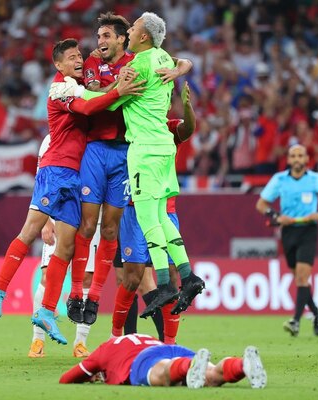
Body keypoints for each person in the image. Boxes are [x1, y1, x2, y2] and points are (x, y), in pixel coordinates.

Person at [0, 38, 144, 346]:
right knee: (30, 230)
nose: (78, 60)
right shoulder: (60, 87)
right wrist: (118, 91)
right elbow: (87, 104)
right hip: (55, 169)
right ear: (58, 64)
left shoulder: (80, 82)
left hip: (76, 175)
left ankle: (46, 312)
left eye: (79, 56)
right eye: (72, 57)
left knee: (67, 248)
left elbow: (96, 87)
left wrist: (105, 61)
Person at [56, 12, 193, 327]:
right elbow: (94, 97)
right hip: (97, 149)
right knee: (90, 227)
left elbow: (171, 58)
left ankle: (103, 306)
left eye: (109, 35)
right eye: (99, 35)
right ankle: (80, 294)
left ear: (123, 39)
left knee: (114, 233)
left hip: (128, 153)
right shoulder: (94, 63)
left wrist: (182, 65)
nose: (101, 41)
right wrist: (116, 90)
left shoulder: (138, 61)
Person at [104, 12, 205, 317]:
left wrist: (100, 90)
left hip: (145, 150)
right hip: (164, 149)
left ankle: (164, 284)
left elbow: (110, 101)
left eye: (132, 28)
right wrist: (184, 65)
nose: (129, 32)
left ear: (143, 36)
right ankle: (188, 277)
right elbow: (181, 61)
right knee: (161, 218)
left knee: (149, 220)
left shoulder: (138, 64)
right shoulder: (162, 57)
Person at [113, 82, 196, 344]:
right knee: (131, 277)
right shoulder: (131, 125)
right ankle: (123, 339)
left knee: (170, 278)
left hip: (164, 211)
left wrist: (188, 107)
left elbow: (188, 128)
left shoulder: (169, 128)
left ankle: (168, 344)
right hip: (132, 210)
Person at [28, 134, 101, 358]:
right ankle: (37, 340)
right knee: (48, 275)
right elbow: (42, 178)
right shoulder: (52, 139)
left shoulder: (94, 137)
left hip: (91, 215)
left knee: (87, 278)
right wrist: (47, 219)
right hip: (59, 214)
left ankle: (80, 343)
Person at [256, 144, 318, 337]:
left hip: (308, 231)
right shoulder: (279, 180)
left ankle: (295, 321)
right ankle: (317, 312)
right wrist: (276, 217)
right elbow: (261, 204)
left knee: (302, 277)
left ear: (306, 160)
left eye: (300, 156)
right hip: (288, 231)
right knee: (299, 279)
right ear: (289, 159)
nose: (297, 159)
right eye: (293, 156)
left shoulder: (315, 180)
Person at [59, 333, 267, 389]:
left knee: (162, 374)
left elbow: (67, 379)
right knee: (211, 377)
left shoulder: (104, 350)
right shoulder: (142, 336)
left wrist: (91, 375)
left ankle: (188, 368)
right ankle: (243, 365)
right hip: (168, 347)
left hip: (143, 360)